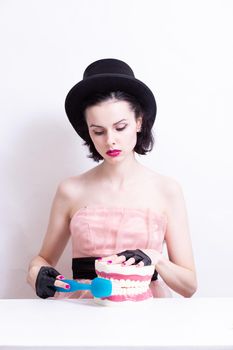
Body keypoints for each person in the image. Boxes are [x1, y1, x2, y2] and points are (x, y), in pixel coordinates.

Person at [27, 58, 197, 299]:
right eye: (98, 131)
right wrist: (37, 272)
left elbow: (189, 286)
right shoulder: (71, 190)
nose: (110, 141)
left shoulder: (166, 189)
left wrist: (156, 258)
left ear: (139, 122)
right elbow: (43, 259)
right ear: (88, 131)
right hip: (84, 312)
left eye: (120, 127)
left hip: (147, 315)